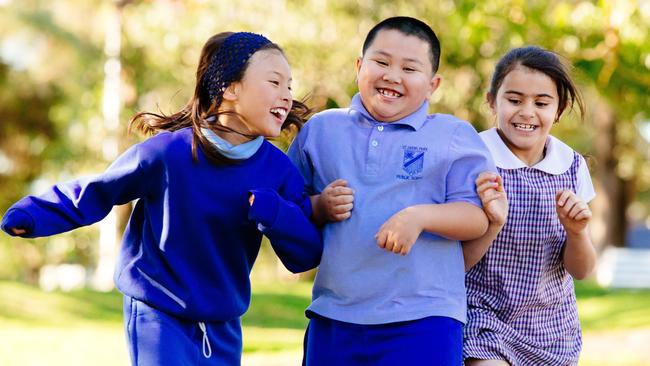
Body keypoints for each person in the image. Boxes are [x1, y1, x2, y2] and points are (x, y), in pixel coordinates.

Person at [1, 31, 323, 366]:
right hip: (158, 310)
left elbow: (304, 254)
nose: (287, 95)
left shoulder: (278, 170)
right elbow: (101, 190)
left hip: (223, 324)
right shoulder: (170, 154)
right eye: (274, 82)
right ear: (229, 88)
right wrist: (34, 214)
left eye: (289, 85)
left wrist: (274, 213)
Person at [288, 16, 496, 365]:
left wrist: (419, 216)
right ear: (359, 66)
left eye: (409, 69)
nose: (392, 76)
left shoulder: (453, 135)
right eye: (381, 62)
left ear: (433, 84)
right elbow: (289, 207)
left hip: (424, 317)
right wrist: (320, 206)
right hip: (335, 314)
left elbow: (476, 217)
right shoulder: (321, 130)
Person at [462, 46, 597, 366]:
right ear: (492, 100)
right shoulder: (472, 158)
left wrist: (577, 232)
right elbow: (452, 259)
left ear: (559, 110)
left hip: (552, 329)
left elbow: (583, 271)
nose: (527, 112)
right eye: (514, 99)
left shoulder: (572, 167)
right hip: (483, 318)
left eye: (541, 103)